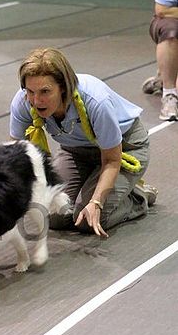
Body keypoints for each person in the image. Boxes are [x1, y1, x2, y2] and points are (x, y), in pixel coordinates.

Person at [10, 47, 158, 237]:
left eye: (45, 91)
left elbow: (112, 160)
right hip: (76, 152)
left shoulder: (96, 102)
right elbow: (15, 156)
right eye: (30, 91)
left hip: (125, 149)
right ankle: (105, 186)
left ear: (63, 87)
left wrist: (96, 203)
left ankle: (137, 196)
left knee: (88, 220)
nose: (36, 101)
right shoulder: (23, 102)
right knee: (54, 215)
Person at [143, 0, 178, 120]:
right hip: (172, 21)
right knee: (172, 32)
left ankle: (163, 77)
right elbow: (162, 9)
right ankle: (169, 93)